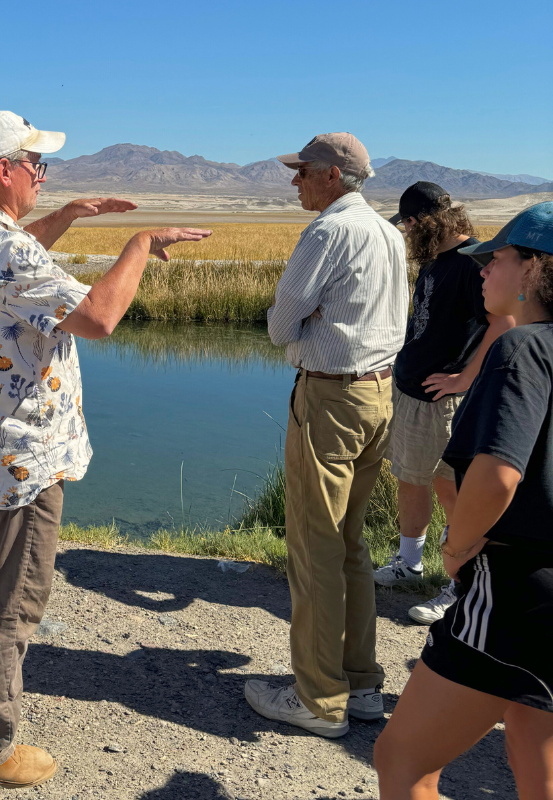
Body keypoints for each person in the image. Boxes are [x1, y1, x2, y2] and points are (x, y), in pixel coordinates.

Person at [0, 110, 210, 789]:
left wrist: (69, 216)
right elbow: (101, 316)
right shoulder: (6, 249)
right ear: (5, 170)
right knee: (11, 601)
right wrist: (139, 246)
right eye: (37, 167)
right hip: (22, 456)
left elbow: (14, 249)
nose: (42, 177)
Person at [374, 202, 553, 800]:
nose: (482, 270)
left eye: (496, 258)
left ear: (535, 269)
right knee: (535, 751)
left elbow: (498, 474)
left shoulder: (523, 350)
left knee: (402, 761)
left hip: (519, 591)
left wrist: (457, 548)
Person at [245, 133, 409, 738]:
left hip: (333, 397)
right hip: (379, 396)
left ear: (334, 176)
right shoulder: (388, 232)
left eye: (304, 171)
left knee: (314, 547)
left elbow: (281, 323)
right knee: (349, 543)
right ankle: (361, 683)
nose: (296, 181)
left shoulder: (328, 232)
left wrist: (308, 320)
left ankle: (317, 700)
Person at [377, 182, 514, 626]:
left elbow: (505, 321)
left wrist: (465, 377)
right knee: (412, 479)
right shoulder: (437, 259)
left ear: (421, 222)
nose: (408, 234)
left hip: (444, 402)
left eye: (409, 226)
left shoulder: (473, 262)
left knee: (453, 489)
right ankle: (409, 562)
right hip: (414, 392)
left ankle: (462, 585)